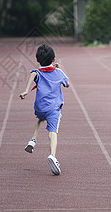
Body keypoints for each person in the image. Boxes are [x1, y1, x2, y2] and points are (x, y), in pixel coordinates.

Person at [20, 44, 69, 175]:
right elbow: (67, 84)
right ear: (53, 59)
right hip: (54, 108)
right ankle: (52, 155)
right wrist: (59, 69)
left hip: (40, 107)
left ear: (37, 60)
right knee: (53, 132)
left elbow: (33, 73)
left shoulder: (37, 73)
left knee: (40, 119)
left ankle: (33, 140)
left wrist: (25, 90)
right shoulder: (58, 73)